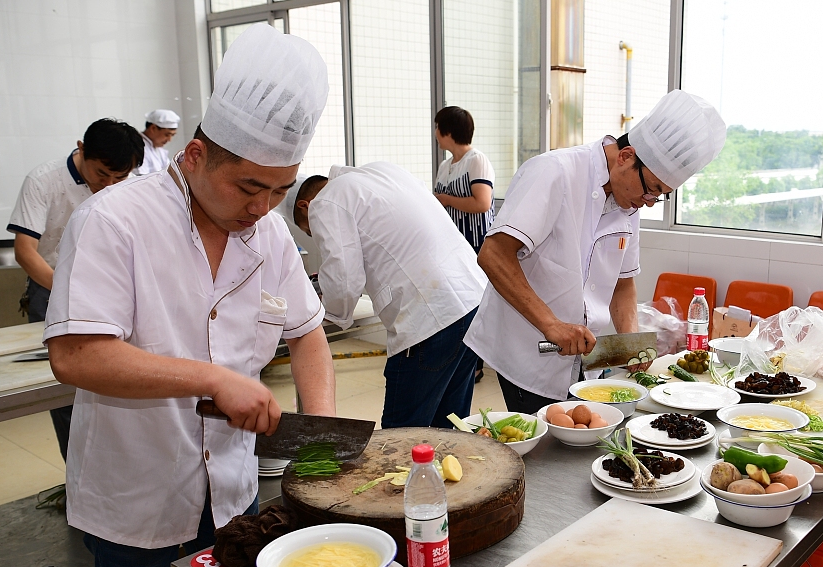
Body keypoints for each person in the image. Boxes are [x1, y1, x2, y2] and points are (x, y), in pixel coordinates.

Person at [45, 24, 332, 567]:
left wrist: (323, 442)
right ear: (196, 154)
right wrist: (211, 377)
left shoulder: (266, 235)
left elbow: (308, 333)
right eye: (249, 187)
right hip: (137, 485)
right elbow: (78, 355)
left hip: (228, 485)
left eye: (279, 190)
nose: (264, 207)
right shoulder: (114, 220)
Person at [464, 89, 726, 413]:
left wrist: (631, 344)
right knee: (547, 455)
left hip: (588, 363)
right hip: (529, 355)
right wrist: (552, 324)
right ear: (626, 156)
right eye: (652, 188)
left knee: (585, 445)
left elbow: (623, 282)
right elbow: (493, 254)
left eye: (661, 195)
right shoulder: (555, 172)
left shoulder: (630, 202)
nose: (649, 201)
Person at [293, 161, 487, 429]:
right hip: (473, 299)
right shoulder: (384, 172)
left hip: (428, 319)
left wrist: (327, 314)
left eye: (308, 231)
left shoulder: (326, 201)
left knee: (401, 437)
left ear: (305, 205)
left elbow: (344, 279)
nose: (314, 234)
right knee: (451, 427)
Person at [6, 117, 143, 460]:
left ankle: (118, 471)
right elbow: (25, 251)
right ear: (82, 150)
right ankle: (79, 481)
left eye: (119, 178)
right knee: (66, 391)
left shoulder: (130, 184)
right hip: (51, 289)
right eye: (101, 175)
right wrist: (72, 289)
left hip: (114, 291)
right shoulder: (44, 180)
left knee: (120, 381)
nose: (109, 185)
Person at [433, 105, 495, 383]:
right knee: (457, 303)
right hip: (452, 246)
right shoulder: (446, 166)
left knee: (476, 305)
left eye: (437, 127)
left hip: (476, 244)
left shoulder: (476, 160)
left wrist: (445, 200)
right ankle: (460, 362)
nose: (434, 133)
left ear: (447, 132)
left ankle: (476, 365)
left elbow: (483, 203)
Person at [134, 109, 180, 176]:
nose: (169, 139)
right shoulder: (138, 147)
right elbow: (141, 179)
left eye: (172, 135)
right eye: (167, 135)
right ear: (153, 128)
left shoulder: (159, 149)